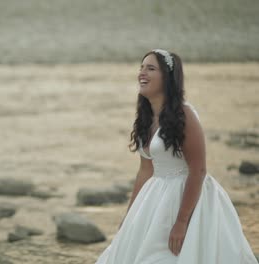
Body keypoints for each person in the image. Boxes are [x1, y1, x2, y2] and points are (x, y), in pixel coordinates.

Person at [95, 49, 257, 264]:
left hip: (186, 197)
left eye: (150, 68)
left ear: (168, 78)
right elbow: (146, 170)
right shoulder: (146, 117)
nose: (142, 73)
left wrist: (182, 221)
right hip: (154, 198)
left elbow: (198, 170)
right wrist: (130, 216)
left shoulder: (184, 114)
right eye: (141, 67)